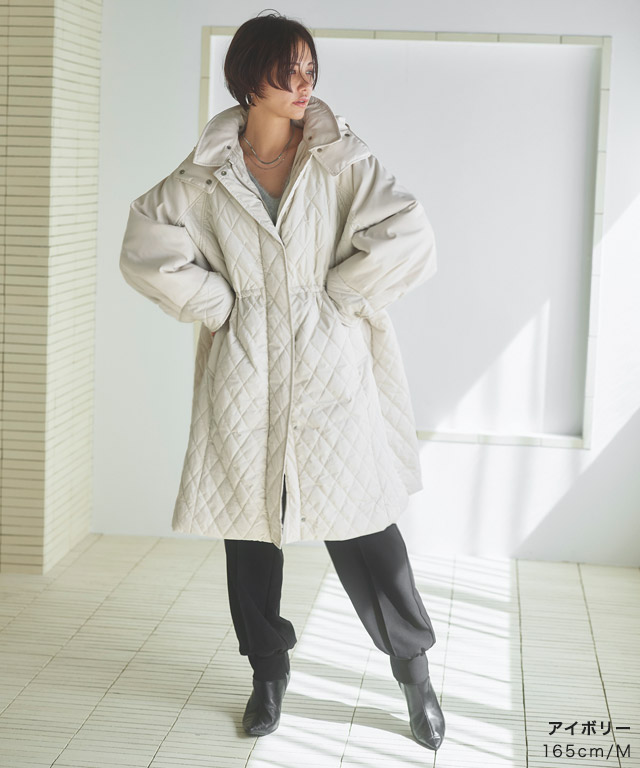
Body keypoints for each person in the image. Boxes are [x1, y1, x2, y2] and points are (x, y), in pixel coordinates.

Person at [119, 10, 444, 751]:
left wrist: (340, 296)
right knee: (250, 533)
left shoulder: (338, 160)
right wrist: (217, 304)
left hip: (332, 369)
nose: (304, 83)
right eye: (287, 69)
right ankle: (267, 673)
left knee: (366, 527)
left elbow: (410, 234)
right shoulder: (206, 175)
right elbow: (145, 243)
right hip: (246, 371)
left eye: (309, 68)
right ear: (248, 77)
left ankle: (414, 673)